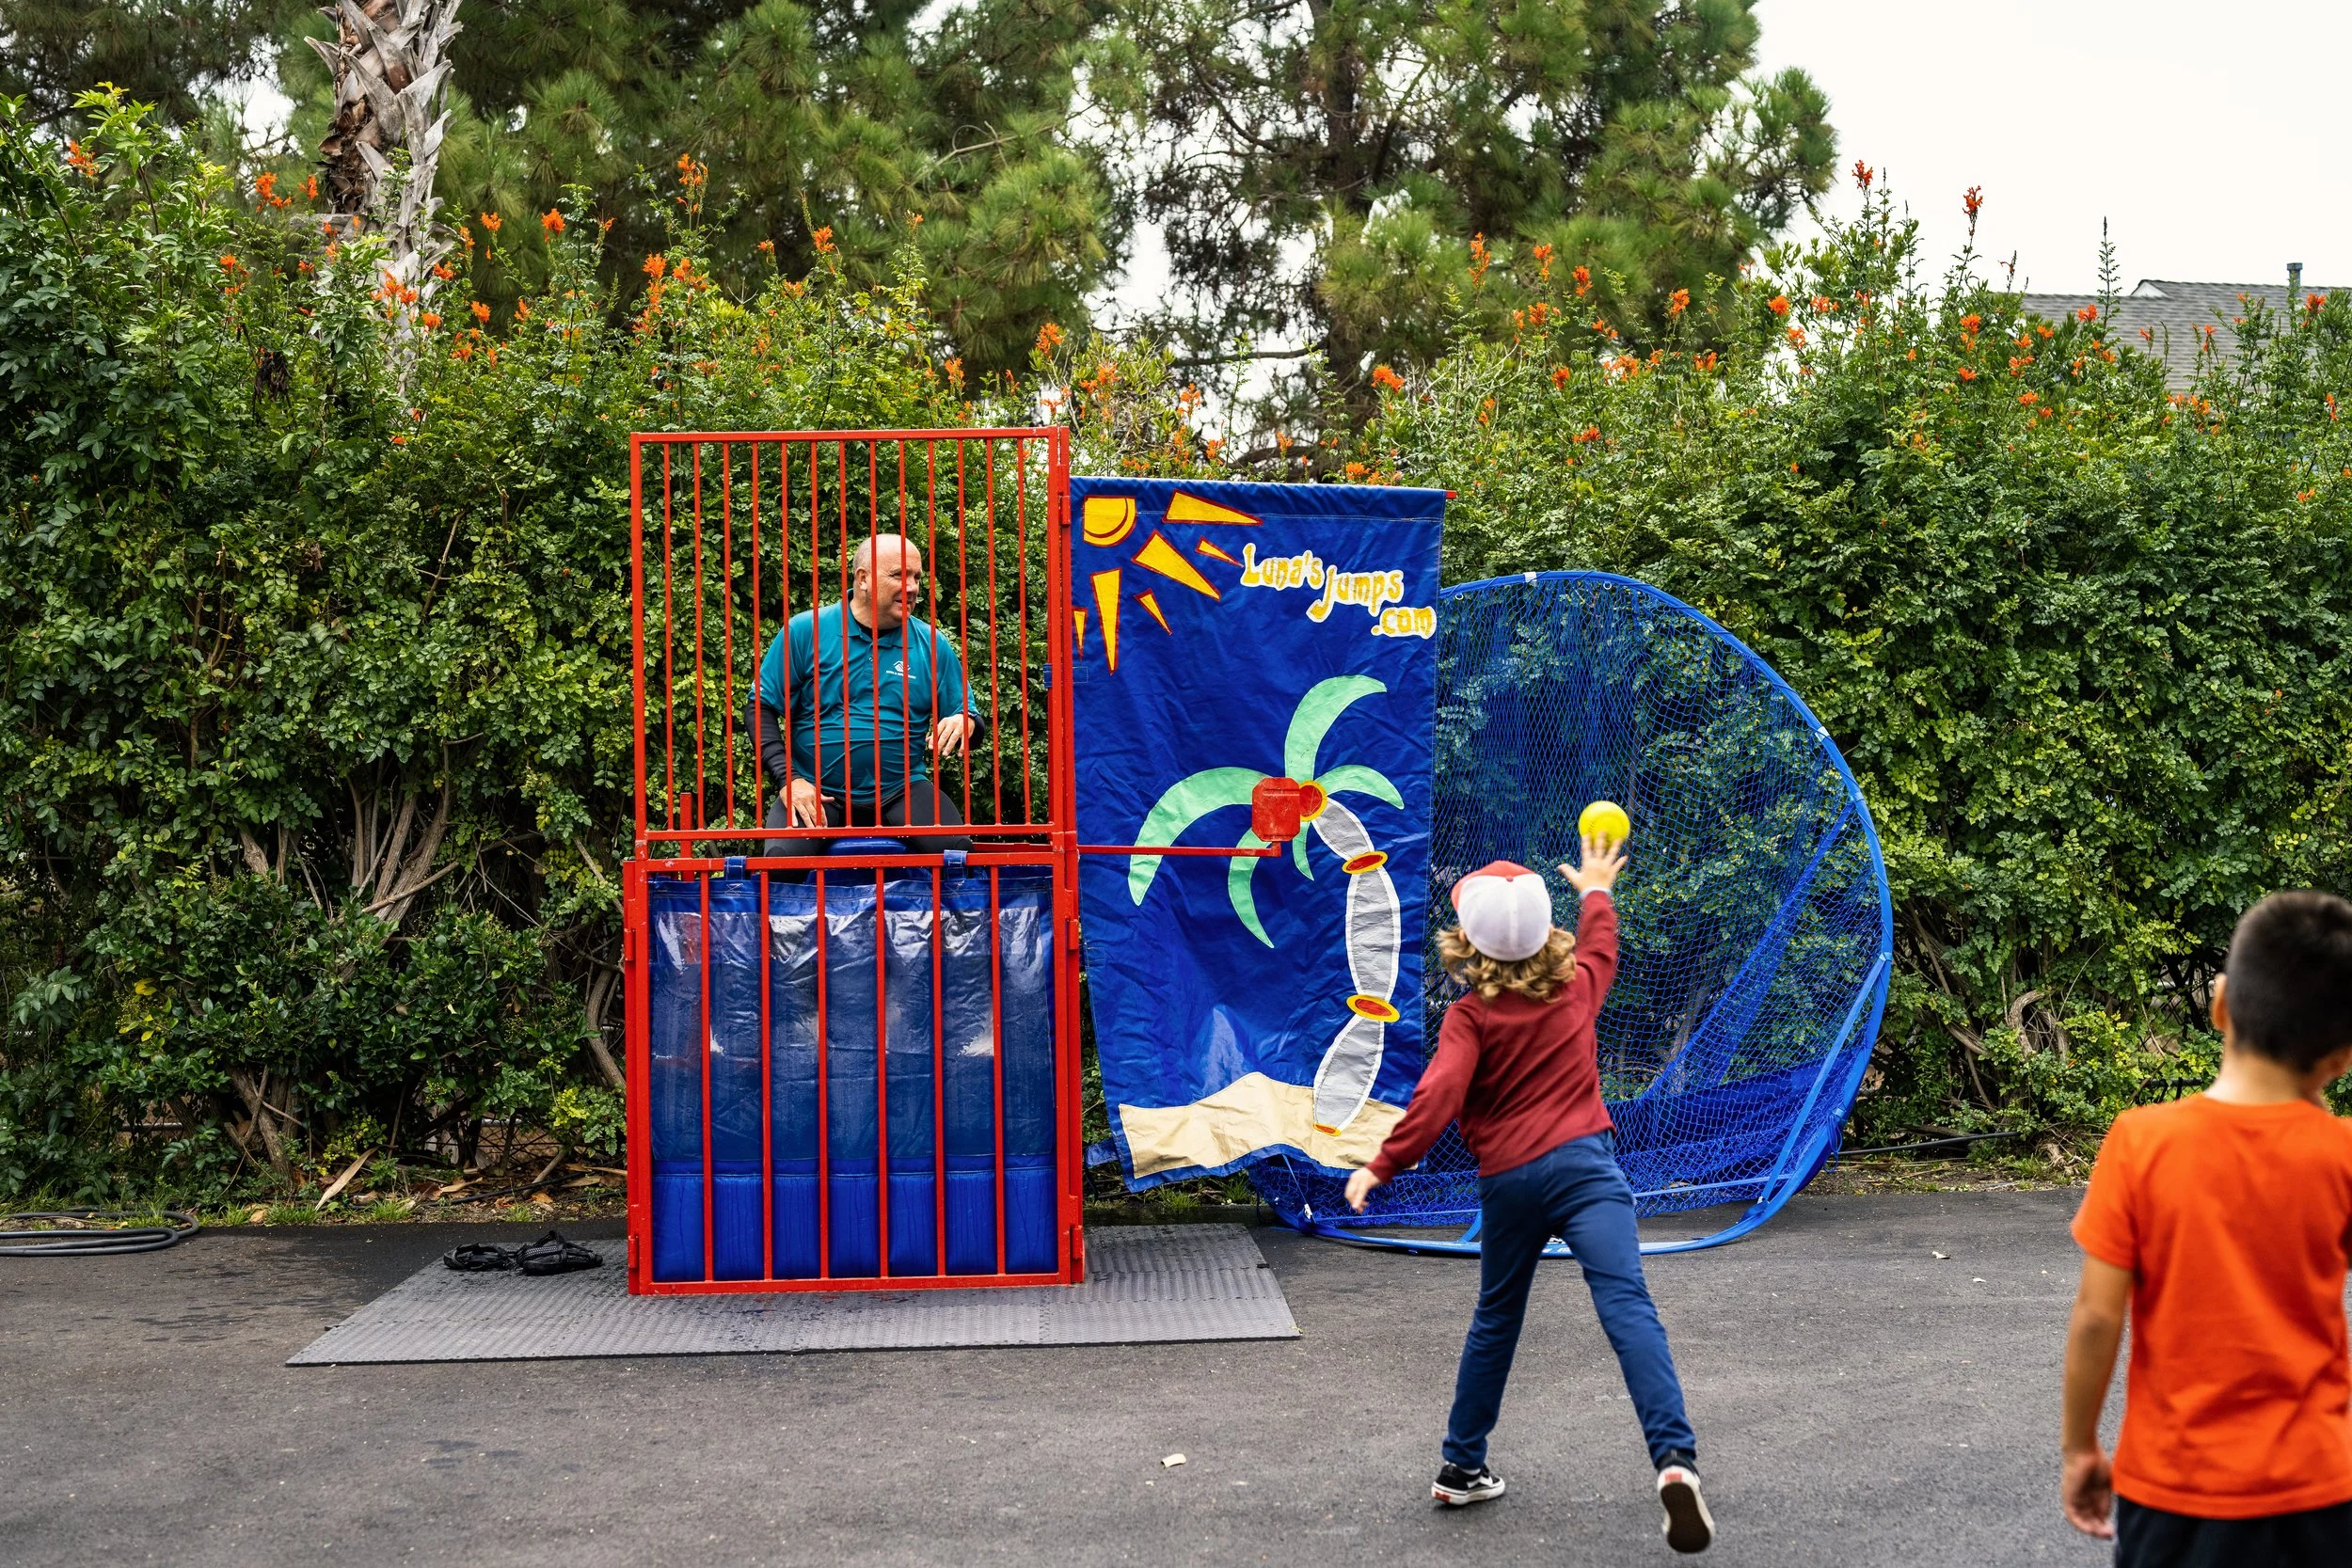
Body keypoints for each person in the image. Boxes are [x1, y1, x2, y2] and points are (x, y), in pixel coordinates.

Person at [1345, 834, 1714, 1554]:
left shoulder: (1469, 1017)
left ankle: (1461, 1462)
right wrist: (1597, 886)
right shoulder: (1579, 984)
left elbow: (1440, 1095)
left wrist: (1381, 1166)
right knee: (1628, 1306)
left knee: (1496, 1317)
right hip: (1586, 1171)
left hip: (1508, 1183)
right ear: (1549, 932)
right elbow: (1602, 939)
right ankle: (1674, 1462)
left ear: (1467, 942)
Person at [2061, 890, 2352, 1564]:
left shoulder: (2140, 1142)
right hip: (2316, 1490)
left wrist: (2080, 1446)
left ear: (2219, 1004)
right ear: (2340, 1059)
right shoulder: (2339, 1155)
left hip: (2172, 1491)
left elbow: (2098, 1318)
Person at [751, 533, 981, 861]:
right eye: (899, 575)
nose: (913, 586)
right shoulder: (806, 630)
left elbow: (970, 718)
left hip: (901, 789)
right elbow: (760, 708)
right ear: (863, 579)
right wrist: (790, 780)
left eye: (916, 577)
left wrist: (965, 722)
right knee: (780, 862)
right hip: (818, 791)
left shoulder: (931, 643)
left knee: (959, 859)